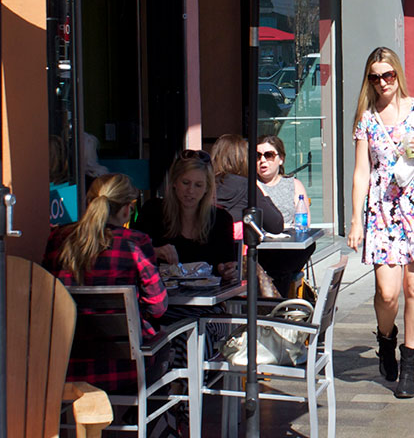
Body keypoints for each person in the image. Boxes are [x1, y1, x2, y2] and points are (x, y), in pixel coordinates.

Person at [347, 46, 414, 399]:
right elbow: (361, 171)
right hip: (381, 210)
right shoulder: (367, 118)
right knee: (387, 293)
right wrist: (355, 219)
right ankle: (385, 340)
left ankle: (409, 362)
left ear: (398, 74)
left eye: (388, 75)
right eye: (375, 77)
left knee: (413, 288)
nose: (383, 82)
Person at [43, 173, 166, 393]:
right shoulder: (135, 242)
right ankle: (137, 422)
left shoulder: (58, 239)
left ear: (88, 203)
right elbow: (158, 307)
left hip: (63, 367)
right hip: (124, 369)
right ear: (127, 209)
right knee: (171, 348)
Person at [136, 152, 239, 283]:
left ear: (207, 188)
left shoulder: (220, 219)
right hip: (160, 297)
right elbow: (131, 252)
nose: (190, 191)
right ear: (174, 182)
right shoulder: (153, 210)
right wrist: (154, 252)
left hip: (206, 298)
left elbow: (227, 263)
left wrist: (227, 270)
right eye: (185, 183)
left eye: (198, 185)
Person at [254, 134, 318, 293]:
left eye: (268, 155)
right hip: (261, 248)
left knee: (309, 245)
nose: (263, 160)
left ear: (280, 159)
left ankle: (275, 295)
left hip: (288, 246)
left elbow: (305, 223)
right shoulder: (250, 185)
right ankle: (277, 297)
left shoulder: (293, 185)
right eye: (258, 156)